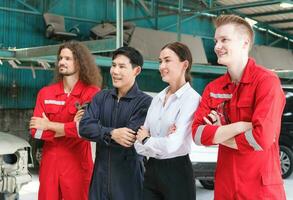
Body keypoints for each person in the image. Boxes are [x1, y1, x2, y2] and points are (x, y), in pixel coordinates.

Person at [192, 14, 286, 199]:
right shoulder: (214, 88)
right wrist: (238, 127)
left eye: (224, 40)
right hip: (226, 187)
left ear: (245, 43)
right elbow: (197, 134)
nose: (217, 46)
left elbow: (261, 139)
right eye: (216, 40)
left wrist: (219, 133)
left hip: (260, 190)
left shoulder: (266, 82)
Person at [29, 41, 102, 200]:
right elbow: (36, 131)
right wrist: (71, 128)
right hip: (50, 162)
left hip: (77, 162)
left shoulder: (92, 93)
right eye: (61, 58)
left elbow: (85, 129)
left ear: (80, 62)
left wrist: (48, 125)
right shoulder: (45, 93)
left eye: (68, 58)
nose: (62, 62)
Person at [79, 46, 152, 200]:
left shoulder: (145, 103)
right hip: (100, 178)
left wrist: (99, 131)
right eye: (113, 65)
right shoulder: (101, 97)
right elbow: (84, 127)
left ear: (136, 70)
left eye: (121, 66)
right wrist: (111, 133)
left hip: (129, 181)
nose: (115, 71)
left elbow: (128, 138)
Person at [134, 42, 200, 200]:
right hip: (151, 169)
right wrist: (152, 141)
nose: (161, 66)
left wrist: (147, 139)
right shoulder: (157, 98)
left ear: (184, 64)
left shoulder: (192, 99)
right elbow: (138, 146)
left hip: (178, 171)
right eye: (160, 61)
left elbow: (172, 144)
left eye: (167, 60)